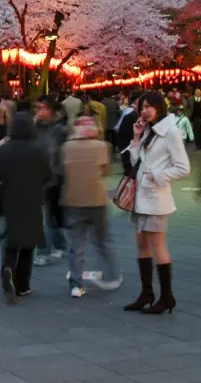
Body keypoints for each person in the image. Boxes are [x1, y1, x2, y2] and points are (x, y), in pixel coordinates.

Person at [123, 91, 190, 315]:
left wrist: (156, 175)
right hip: (140, 197)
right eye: (143, 106)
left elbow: (183, 168)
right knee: (141, 245)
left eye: (150, 106)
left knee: (158, 246)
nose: (146, 110)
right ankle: (146, 293)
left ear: (160, 107)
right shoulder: (149, 131)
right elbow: (134, 161)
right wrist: (136, 137)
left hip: (156, 197)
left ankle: (167, 296)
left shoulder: (170, 132)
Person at [0, 112, 52, 303]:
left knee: (12, 240)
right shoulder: (39, 149)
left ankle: (8, 269)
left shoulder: (4, 150)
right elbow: (47, 175)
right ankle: (22, 284)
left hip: (10, 199)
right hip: (32, 199)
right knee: (29, 242)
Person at [61, 116, 122, 298]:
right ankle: (113, 275)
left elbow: (61, 171)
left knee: (76, 245)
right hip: (96, 200)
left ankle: (76, 285)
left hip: (72, 200)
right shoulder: (102, 146)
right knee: (103, 240)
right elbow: (105, 171)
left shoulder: (66, 147)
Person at [33, 97, 68, 266]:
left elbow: (65, 155)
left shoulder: (60, 131)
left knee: (50, 217)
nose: (39, 111)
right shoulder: (32, 129)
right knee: (40, 218)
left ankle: (48, 249)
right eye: (37, 107)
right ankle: (48, 248)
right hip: (34, 178)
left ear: (52, 111)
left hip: (54, 179)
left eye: (42, 108)